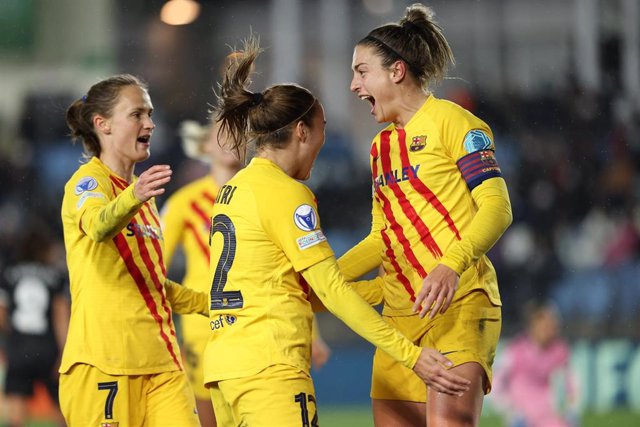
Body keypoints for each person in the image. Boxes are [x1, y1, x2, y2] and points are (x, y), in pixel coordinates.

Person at [202, 35, 471, 427]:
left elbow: (289, 286)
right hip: (270, 369)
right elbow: (332, 290)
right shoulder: (289, 195)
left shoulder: (234, 190)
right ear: (301, 132)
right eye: (322, 128)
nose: (323, 140)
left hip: (224, 369)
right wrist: (411, 355)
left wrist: (386, 288)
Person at [342, 3, 513, 426]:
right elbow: (383, 237)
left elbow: (497, 206)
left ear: (396, 71)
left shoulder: (455, 123)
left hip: (459, 306)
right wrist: (326, 275)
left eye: (362, 72)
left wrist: (451, 265)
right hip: (399, 322)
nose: (352, 85)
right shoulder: (379, 148)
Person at [60, 74, 210, 426]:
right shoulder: (87, 183)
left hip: (163, 364)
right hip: (104, 364)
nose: (150, 124)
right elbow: (98, 226)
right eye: (137, 114)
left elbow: (151, 284)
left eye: (150, 114)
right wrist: (134, 195)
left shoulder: (142, 197)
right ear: (103, 124)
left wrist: (213, 303)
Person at [0, 217, 69, 427]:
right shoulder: (55, 276)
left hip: (19, 347)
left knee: (15, 417)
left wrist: (11, 337)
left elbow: (1, 314)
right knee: (63, 411)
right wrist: (64, 350)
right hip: (47, 348)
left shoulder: (9, 275)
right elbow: (60, 314)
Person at [492, 301, 579, 427]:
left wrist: (572, 409)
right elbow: (495, 382)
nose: (550, 329)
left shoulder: (560, 351)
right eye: (545, 325)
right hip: (522, 417)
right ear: (533, 325)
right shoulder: (516, 350)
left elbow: (572, 384)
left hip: (549, 416)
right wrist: (509, 409)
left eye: (552, 325)